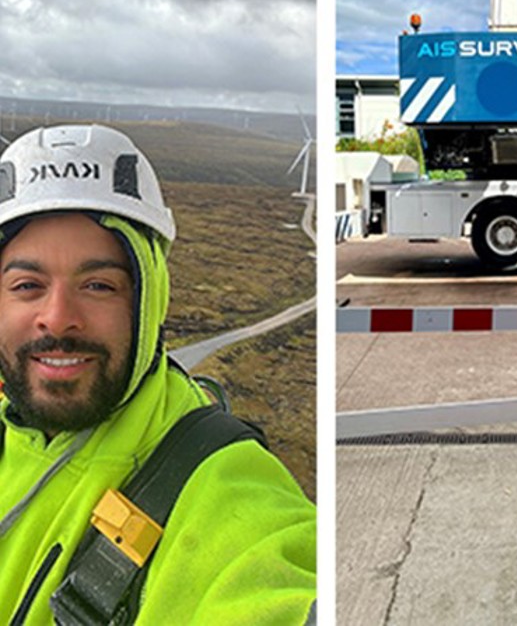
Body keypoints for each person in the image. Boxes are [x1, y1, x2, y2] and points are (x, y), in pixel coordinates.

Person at [0, 125, 316, 623]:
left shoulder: (219, 481)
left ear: (152, 300)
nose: (58, 317)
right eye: (27, 285)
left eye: (100, 285)